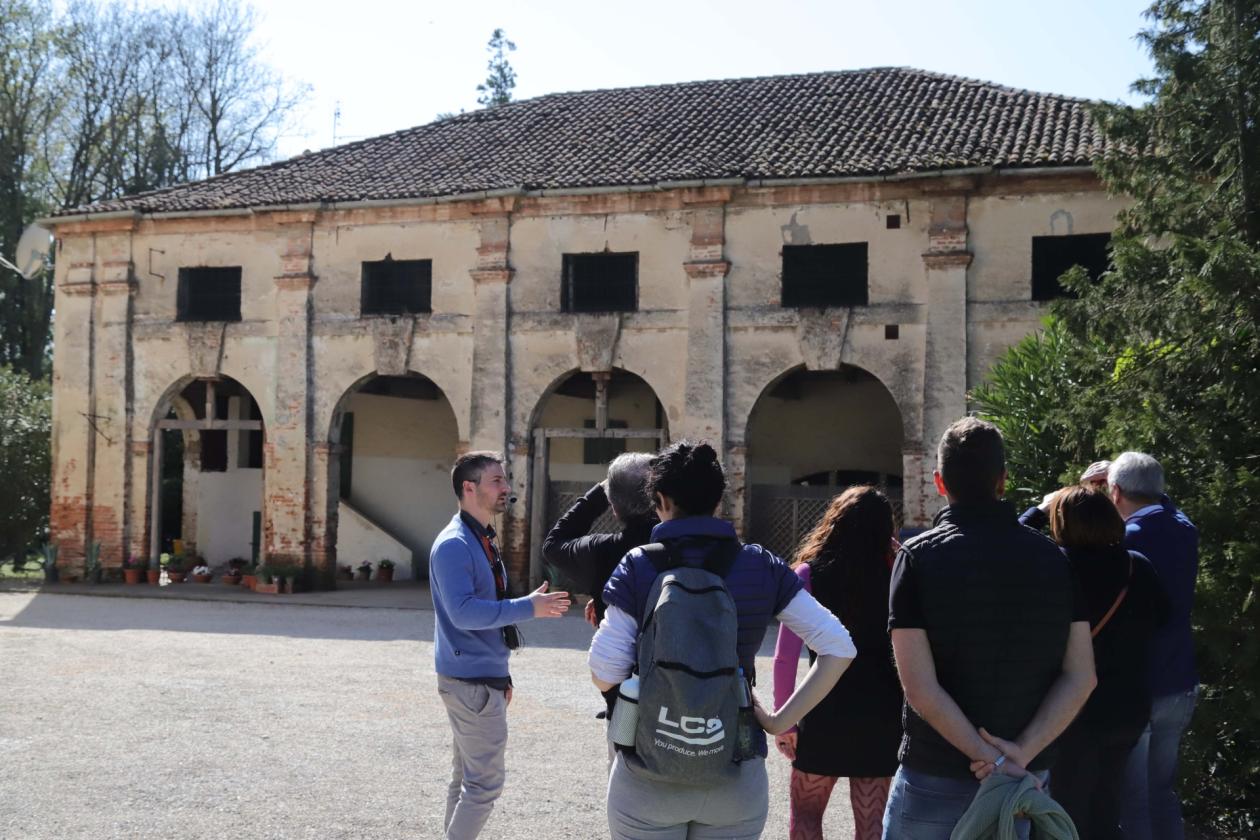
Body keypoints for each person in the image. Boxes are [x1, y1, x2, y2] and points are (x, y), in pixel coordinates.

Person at [588, 440, 857, 839]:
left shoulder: (639, 565)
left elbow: (604, 669)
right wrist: (779, 721)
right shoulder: (760, 565)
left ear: (660, 500)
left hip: (649, 774)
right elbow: (838, 646)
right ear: (718, 501)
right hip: (734, 767)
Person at [882, 417, 1097, 840]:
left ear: (938, 482)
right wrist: (1016, 757)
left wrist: (991, 759)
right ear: (1003, 480)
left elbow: (920, 687)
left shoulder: (917, 558)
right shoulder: (1054, 560)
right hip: (1024, 777)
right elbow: (1081, 676)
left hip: (936, 772)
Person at [429, 451, 572, 840]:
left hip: (478, 676)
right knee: (483, 786)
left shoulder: (479, 537)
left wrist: (501, 673)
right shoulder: (455, 544)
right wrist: (530, 607)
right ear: (469, 488)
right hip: (470, 682)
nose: (506, 487)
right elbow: (463, 613)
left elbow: (484, 609)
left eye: (505, 479)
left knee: (466, 779)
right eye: (496, 480)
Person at [771, 486, 903, 840]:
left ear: (834, 522)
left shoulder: (808, 575)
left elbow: (784, 657)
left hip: (822, 711)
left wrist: (785, 722)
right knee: (872, 827)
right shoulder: (898, 574)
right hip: (882, 715)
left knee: (806, 817)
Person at [1045, 486, 1168, 840]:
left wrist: (1036, 511)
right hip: (1128, 706)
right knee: (1107, 803)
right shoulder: (1136, 565)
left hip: (1073, 710)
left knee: (1067, 811)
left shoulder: (1057, 567)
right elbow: (1162, 618)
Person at [1108, 452, 1199, 840]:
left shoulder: (1125, 540)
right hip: (1179, 680)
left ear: (1115, 492)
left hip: (1139, 685)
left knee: (1134, 800)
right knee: (1162, 791)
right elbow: (1168, 509)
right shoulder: (1185, 529)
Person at [543, 451, 657, 630]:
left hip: (619, 647)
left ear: (614, 507)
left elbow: (553, 545)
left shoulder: (602, 551)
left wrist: (601, 491)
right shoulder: (684, 542)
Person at [1018, 459, 1111, 530]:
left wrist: (1042, 509)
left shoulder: (1048, 550)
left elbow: (1013, 540)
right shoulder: (1118, 546)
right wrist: (1115, 475)